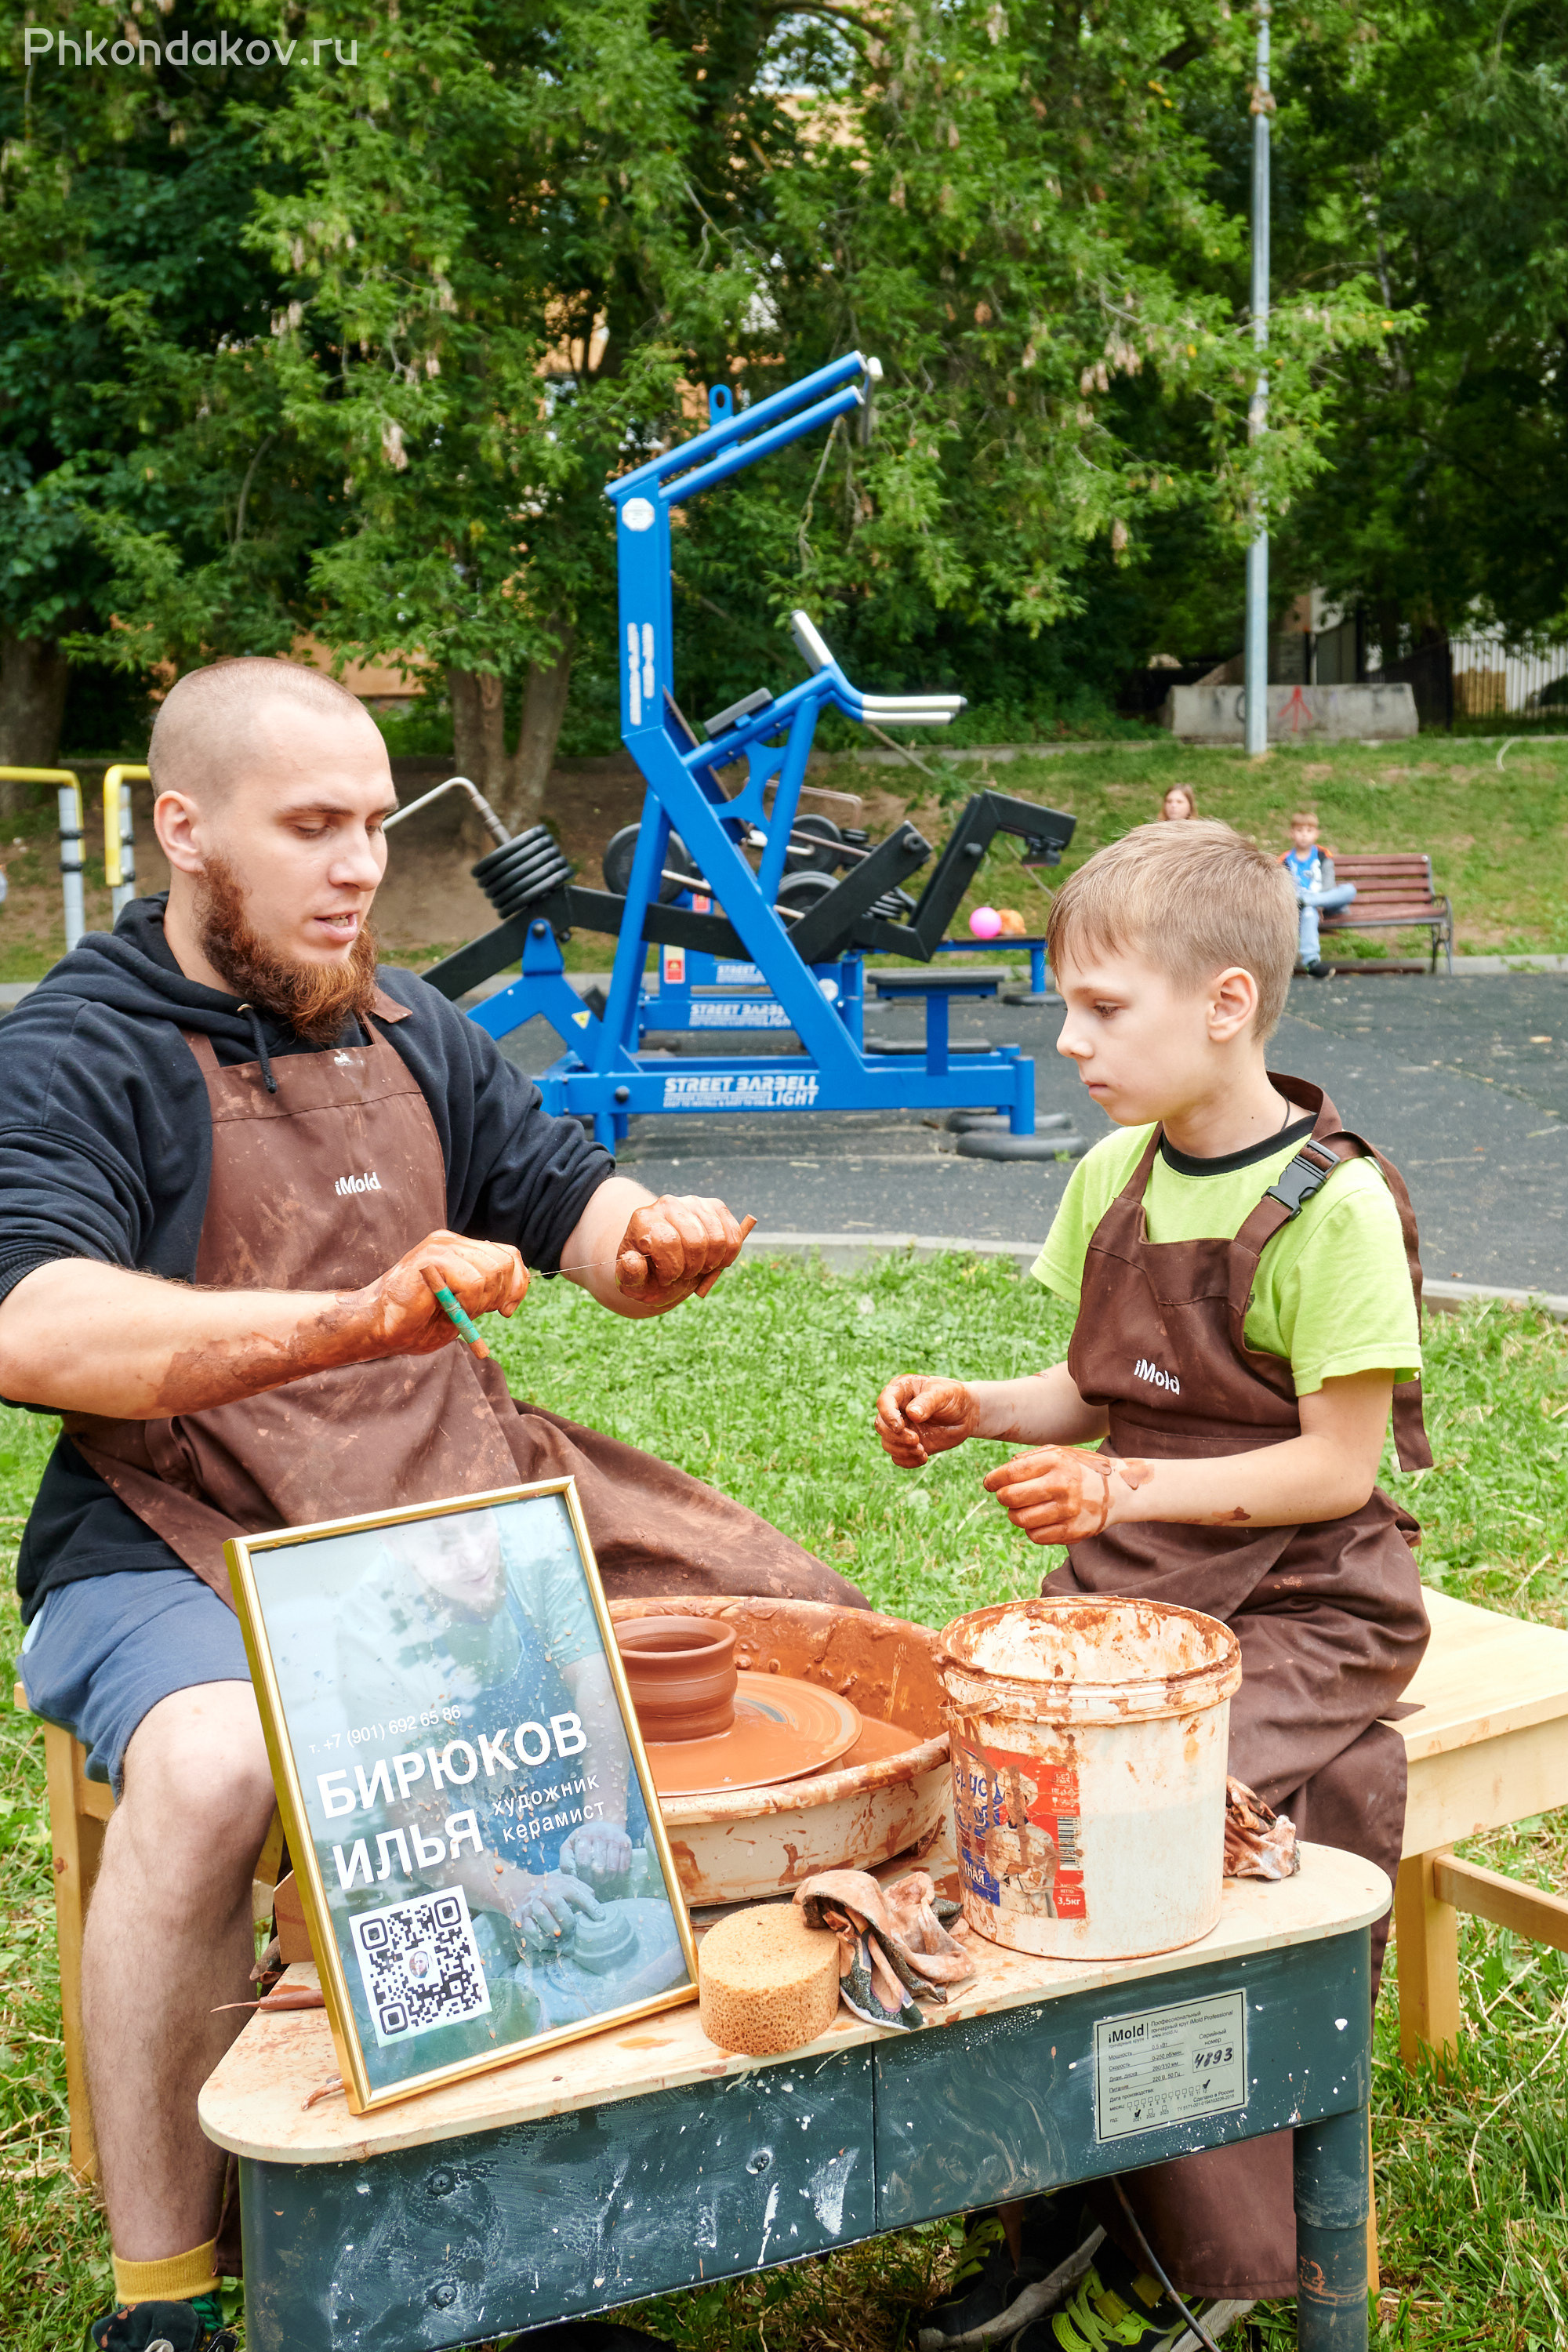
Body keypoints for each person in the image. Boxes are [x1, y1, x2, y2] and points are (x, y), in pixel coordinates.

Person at [0, 656, 862, 2352]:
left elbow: (570, 1206)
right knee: (218, 1762)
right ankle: (165, 2296)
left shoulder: (411, 1028)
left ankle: (607, 2158)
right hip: (185, 1525)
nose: (358, 870)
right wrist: (344, 1321)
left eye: (376, 827)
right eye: (311, 827)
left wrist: (648, 1238)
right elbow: (35, 1327)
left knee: (805, 1636)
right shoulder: (74, 1047)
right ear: (184, 830)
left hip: (454, 1501)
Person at [876, 818, 1429, 2351]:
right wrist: (977, 1409)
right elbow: (1089, 1389)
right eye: (1067, 1004)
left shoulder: (1335, 1206)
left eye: (1103, 1009)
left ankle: (1204, 2254)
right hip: (1142, 1596)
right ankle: (1059, 2185)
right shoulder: (1115, 1173)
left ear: (1227, 1003)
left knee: (1144, 1827)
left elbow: (1335, 1468)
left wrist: (1119, 1489)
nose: (1069, 1040)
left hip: (1311, 1602)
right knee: (989, 1799)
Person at [1282, 808, 1355, 977]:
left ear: (1316, 834)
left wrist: (1318, 903)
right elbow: (1286, 890)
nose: (1304, 835)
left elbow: (1329, 884)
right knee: (1308, 912)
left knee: (1349, 890)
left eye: (1309, 831)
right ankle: (1312, 963)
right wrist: (1309, 905)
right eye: (1299, 830)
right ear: (1292, 833)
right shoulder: (1285, 860)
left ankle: (1309, 901)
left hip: (1327, 903)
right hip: (1302, 908)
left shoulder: (1323, 855)